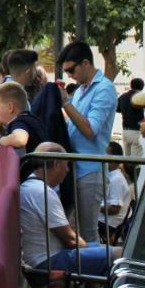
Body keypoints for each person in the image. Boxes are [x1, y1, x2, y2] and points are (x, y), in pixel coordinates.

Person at [20, 142, 121, 288]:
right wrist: (86, 248)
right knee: (119, 254)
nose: (67, 170)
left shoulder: (31, 187)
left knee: (104, 250)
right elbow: (71, 239)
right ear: (55, 164)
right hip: (48, 261)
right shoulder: (42, 192)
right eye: (66, 165)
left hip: (45, 258)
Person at [56, 41, 117, 242]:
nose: (70, 75)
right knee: (78, 230)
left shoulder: (104, 88)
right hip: (77, 167)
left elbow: (90, 129)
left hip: (91, 169)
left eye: (71, 70)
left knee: (88, 232)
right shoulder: (82, 89)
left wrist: (65, 103)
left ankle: (96, 271)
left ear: (85, 63)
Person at [0, 81, 46, 178]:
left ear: (10, 107)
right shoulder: (31, 119)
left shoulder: (19, 122)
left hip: (33, 181)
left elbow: (19, 139)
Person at [98, 141, 135, 245]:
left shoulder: (116, 179)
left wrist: (94, 207)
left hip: (107, 224)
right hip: (104, 221)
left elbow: (115, 209)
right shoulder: (111, 176)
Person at [117, 78, 145, 158]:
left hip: (125, 130)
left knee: (126, 158)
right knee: (136, 158)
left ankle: (127, 170)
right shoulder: (141, 97)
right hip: (137, 130)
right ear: (142, 87)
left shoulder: (122, 97)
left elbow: (117, 109)